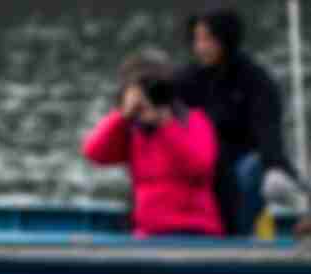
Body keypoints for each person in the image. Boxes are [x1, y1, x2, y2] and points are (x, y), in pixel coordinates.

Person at [82, 50, 224, 239]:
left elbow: (200, 166)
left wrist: (165, 125)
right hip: (149, 233)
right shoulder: (132, 130)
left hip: (194, 230)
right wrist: (122, 116)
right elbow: (95, 153)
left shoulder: (194, 121)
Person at [176, 10, 291, 236]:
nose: (201, 47)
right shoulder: (186, 79)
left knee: (250, 172)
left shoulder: (256, 80)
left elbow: (267, 128)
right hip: (199, 163)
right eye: (197, 39)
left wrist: (274, 166)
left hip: (240, 162)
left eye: (208, 39)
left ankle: (236, 235)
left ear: (226, 39)